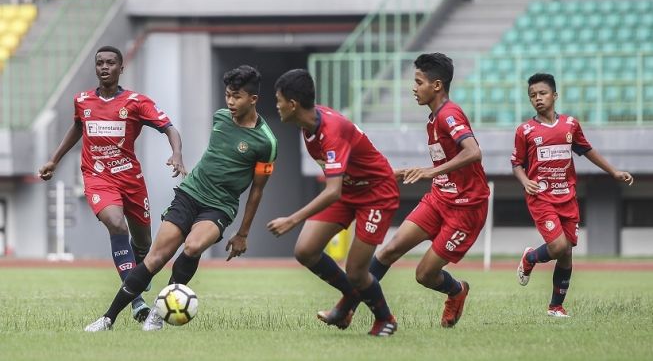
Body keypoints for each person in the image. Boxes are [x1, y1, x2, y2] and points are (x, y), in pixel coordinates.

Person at [83, 65, 278, 332]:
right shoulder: (220, 117)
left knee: (193, 247)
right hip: (189, 194)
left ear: (253, 99)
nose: (230, 102)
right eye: (228, 95)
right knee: (154, 259)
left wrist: (242, 233)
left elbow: (257, 189)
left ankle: (159, 311)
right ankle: (107, 319)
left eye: (237, 97)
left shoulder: (266, 142)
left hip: (220, 206)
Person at [326, 53, 490, 328]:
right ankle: (346, 309)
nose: (414, 88)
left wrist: (431, 172)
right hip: (440, 198)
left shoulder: (449, 114)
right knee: (389, 250)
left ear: (437, 85)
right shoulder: (433, 118)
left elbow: (474, 152)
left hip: (466, 207)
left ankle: (456, 290)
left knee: (424, 275)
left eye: (418, 82)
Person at [39, 45, 186, 322]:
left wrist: (176, 153)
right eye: (100, 63)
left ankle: (139, 267)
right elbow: (78, 127)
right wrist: (54, 160)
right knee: (116, 224)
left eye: (110, 63)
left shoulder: (136, 102)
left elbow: (169, 127)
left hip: (130, 178)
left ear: (121, 68)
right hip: (97, 176)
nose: (104, 67)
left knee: (143, 242)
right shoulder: (82, 100)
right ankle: (137, 301)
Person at [267, 69, 400, 336]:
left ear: (292, 104)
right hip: (350, 191)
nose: (276, 105)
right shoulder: (308, 124)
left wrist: (292, 219)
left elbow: (332, 191)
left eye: (279, 99)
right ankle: (350, 297)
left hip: (376, 194)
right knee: (305, 250)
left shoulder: (332, 130)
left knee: (356, 270)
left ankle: (385, 319)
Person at [513, 73, 633, 317]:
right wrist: (525, 181)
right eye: (532, 95)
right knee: (557, 247)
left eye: (542, 93)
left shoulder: (570, 125)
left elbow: (586, 150)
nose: (537, 98)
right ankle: (530, 258)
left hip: (567, 197)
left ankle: (555, 307)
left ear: (554, 96)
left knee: (566, 253)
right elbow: (517, 163)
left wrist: (613, 171)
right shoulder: (524, 130)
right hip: (541, 196)